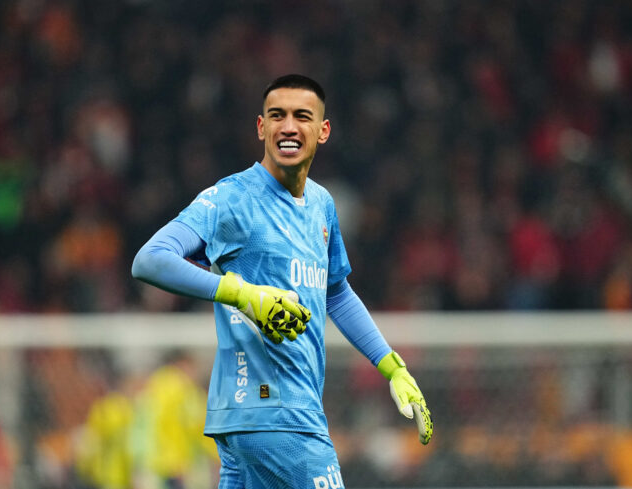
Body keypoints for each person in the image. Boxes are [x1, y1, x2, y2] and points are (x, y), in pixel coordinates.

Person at [132, 73, 432, 489]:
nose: (288, 126)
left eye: (301, 116)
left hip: (255, 422)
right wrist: (241, 294)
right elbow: (150, 259)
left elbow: (336, 293)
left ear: (322, 131)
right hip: (278, 418)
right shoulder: (234, 198)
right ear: (261, 128)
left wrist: (392, 367)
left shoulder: (322, 205)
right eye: (277, 115)